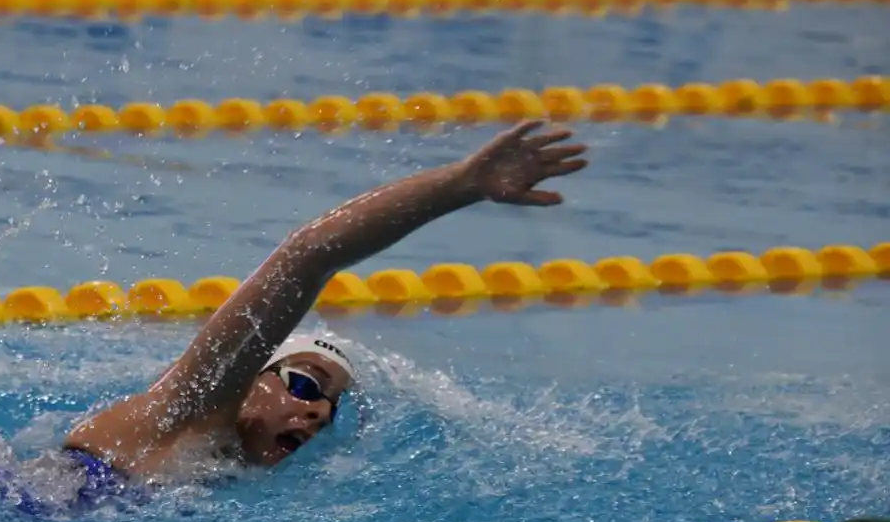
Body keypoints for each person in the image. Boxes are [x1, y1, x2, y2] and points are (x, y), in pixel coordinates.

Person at [58, 119, 588, 495]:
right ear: (252, 375)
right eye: (306, 386)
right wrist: (458, 186)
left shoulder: (217, 470)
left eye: (330, 409)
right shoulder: (184, 412)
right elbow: (308, 255)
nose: (317, 414)